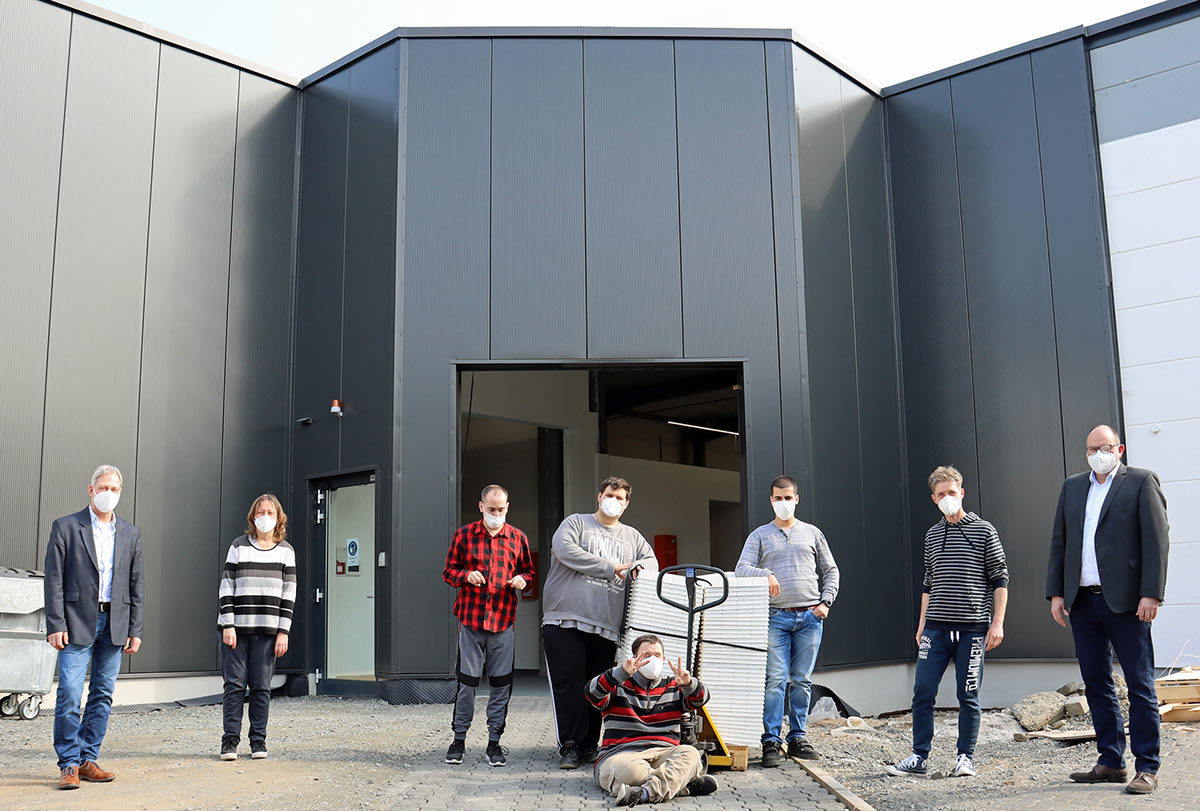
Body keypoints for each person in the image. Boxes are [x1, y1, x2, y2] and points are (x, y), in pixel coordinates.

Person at [1046, 424, 1169, 795]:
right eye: (1091, 448)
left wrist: (1151, 594)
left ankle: (1147, 767)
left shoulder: (1141, 482)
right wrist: (1056, 593)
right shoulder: (1072, 487)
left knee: (1140, 685)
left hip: (1128, 603)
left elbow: (1157, 540)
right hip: (1082, 602)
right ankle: (1111, 761)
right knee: (1097, 684)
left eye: (1105, 447)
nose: (1098, 453)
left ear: (1120, 449)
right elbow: (1059, 542)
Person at [886, 466, 1008, 779]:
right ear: (933, 498)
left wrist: (997, 623)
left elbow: (1000, 578)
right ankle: (918, 757)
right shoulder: (932, 534)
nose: (947, 498)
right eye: (941, 494)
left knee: (968, 695)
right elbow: (928, 581)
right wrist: (921, 625)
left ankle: (965, 758)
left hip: (973, 630)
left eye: (952, 492)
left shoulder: (984, 531)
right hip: (936, 631)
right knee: (922, 692)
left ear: (962, 492)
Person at [542, 476, 657, 769]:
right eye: (609, 495)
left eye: (620, 498)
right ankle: (569, 745)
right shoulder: (576, 523)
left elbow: (651, 562)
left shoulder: (632, 536)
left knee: (599, 686)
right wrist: (612, 567)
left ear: (627, 503)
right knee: (568, 685)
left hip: (606, 626)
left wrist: (639, 568)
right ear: (598, 496)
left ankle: (590, 745)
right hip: (565, 620)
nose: (613, 501)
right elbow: (565, 550)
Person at [43, 464, 144, 790]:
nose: (108, 494)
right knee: (70, 693)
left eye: (114, 489)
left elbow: (136, 584)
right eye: (103, 488)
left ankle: (88, 760)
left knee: (102, 694)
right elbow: (54, 579)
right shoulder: (66, 527)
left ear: (120, 493)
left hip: (115, 623)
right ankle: (68, 764)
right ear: (91, 490)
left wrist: (135, 628)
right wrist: (55, 623)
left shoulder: (131, 533)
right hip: (75, 623)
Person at [735, 474, 839, 767]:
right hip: (776, 617)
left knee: (802, 681)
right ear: (771, 501)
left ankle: (798, 738)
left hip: (810, 617)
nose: (783, 503)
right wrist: (764, 574)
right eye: (778, 498)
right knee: (776, 680)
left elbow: (831, 570)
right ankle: (770, 741)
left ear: (797, 499)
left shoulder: (813, 533)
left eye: (788, 498)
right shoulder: (759, 535)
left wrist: (826, 602)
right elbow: (741, 568)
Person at [441, 484, 534, 767]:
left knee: (501, 684)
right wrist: (466, 575)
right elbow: (448, 571)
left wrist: (523, 580)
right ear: (481, 506)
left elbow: (529, 571)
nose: (496, 514)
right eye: (491, 509)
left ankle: (494, 742)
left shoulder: (518, 538)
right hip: (471, 620)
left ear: (508, 507)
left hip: (503, 621)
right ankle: (459, 740)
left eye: (501, 509)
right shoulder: (463, 535)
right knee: (467, 683)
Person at [586, 634, 718, 807]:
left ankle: (644, 793)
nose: (653, 660)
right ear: (634, 658)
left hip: (664, 752)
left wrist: (689, 684)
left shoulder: (674, 686)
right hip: (623, 753)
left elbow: (701, 699)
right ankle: (682, 786)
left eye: (657, 655)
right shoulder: (618, 686)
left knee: (691, 754)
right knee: (631, 771)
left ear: (663, 659)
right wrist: (620, 673)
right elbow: (591, 693)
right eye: (647, 655)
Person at [217, 494, 297, 761]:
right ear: (253, 517)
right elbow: (227, 585)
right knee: (234, 686)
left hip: (268, 632)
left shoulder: (286, 551)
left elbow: (289, 594)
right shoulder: (238, 546)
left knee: (262, 687)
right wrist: (228, 623)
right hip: (236, 630)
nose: (265, 517)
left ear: (278, 518)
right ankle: (230, 742)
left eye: (270, 513)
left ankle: (258, 741)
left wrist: (283, 631)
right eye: (260, 512)